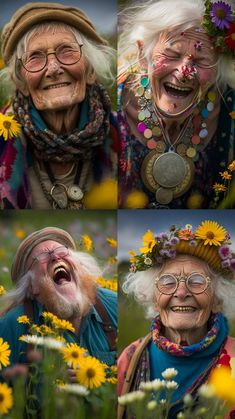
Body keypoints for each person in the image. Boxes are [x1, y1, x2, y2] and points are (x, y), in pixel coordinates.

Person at [118, 0, 235, 209]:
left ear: (218, 68)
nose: (184, 73)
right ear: (142, 54)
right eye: (172, 55)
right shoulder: (112, 105)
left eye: (201, 61)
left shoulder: (230, 110)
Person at [0, 2, 118, 209]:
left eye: (67, 51)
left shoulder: (123, 134)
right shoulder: (3, 139)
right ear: (21, 82)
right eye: (35, 57)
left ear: (90, 71)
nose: (54, 69)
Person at [118, 220, 235, 418]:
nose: (181, 292)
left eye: (197, 281)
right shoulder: (130, 358)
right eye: (167, 281)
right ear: (154, 299)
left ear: (217, 299)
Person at [0, 227, 117, 367]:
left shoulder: (113, 304)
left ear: (80, 268)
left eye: (62, 251)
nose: (55, 257)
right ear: (32, 287)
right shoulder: (11, 326)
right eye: (42, 257)